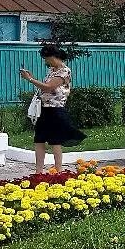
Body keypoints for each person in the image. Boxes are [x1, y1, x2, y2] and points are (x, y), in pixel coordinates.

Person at [20, 44, 85, 173]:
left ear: (53, 57)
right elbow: (44, 86)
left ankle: (58, 171)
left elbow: (49, 87)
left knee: (55, 141)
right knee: (39, 139)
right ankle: (38, 171)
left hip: (56, 110)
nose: (46, 61)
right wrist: (33, 78)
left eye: (46, 58)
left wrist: (30, 79)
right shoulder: (52, 70)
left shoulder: (64, 71)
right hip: (44, 109)